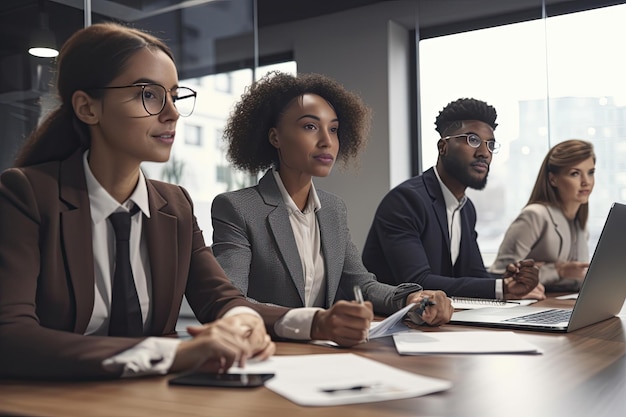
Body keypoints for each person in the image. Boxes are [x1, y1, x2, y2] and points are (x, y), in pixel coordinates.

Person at [0, 22, 294, 380]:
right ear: (87, 108)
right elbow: (11, 335)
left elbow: (220, 299)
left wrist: (244, 324)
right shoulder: (26, 194)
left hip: (156, 399)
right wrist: (176, 352)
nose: (171, 112)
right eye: (149, 95)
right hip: (58, 399)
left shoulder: (176, 204)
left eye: (173, 95)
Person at [211, 71, 453, 347]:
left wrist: (410, 300)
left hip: (323, 355)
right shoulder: (237, 208)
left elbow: (360, 285)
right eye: (310, 127)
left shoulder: (333, 209)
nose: (327, 141)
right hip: (265, 353)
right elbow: (231, 302)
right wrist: (314, 323)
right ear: (275, 137)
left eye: (334, 129)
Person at [362, 97, 544, 300]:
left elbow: (474, 274)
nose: (484, 153)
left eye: (490, 144)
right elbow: (417, 282)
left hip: (438, 320)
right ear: (443, 147)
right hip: (388, 323)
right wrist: (500, 288)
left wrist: (511, 281)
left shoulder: (466, 209)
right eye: (472, 140)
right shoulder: (406, 201)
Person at [488, 139, 595, 292]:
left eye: (591, 172)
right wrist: (558, 271)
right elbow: (499, 276)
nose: (586, 182)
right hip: (529, 307)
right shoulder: (535, 215)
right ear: (553, 179)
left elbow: (576, 277)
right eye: (575, 173)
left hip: (561, 302)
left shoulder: (580, 225)